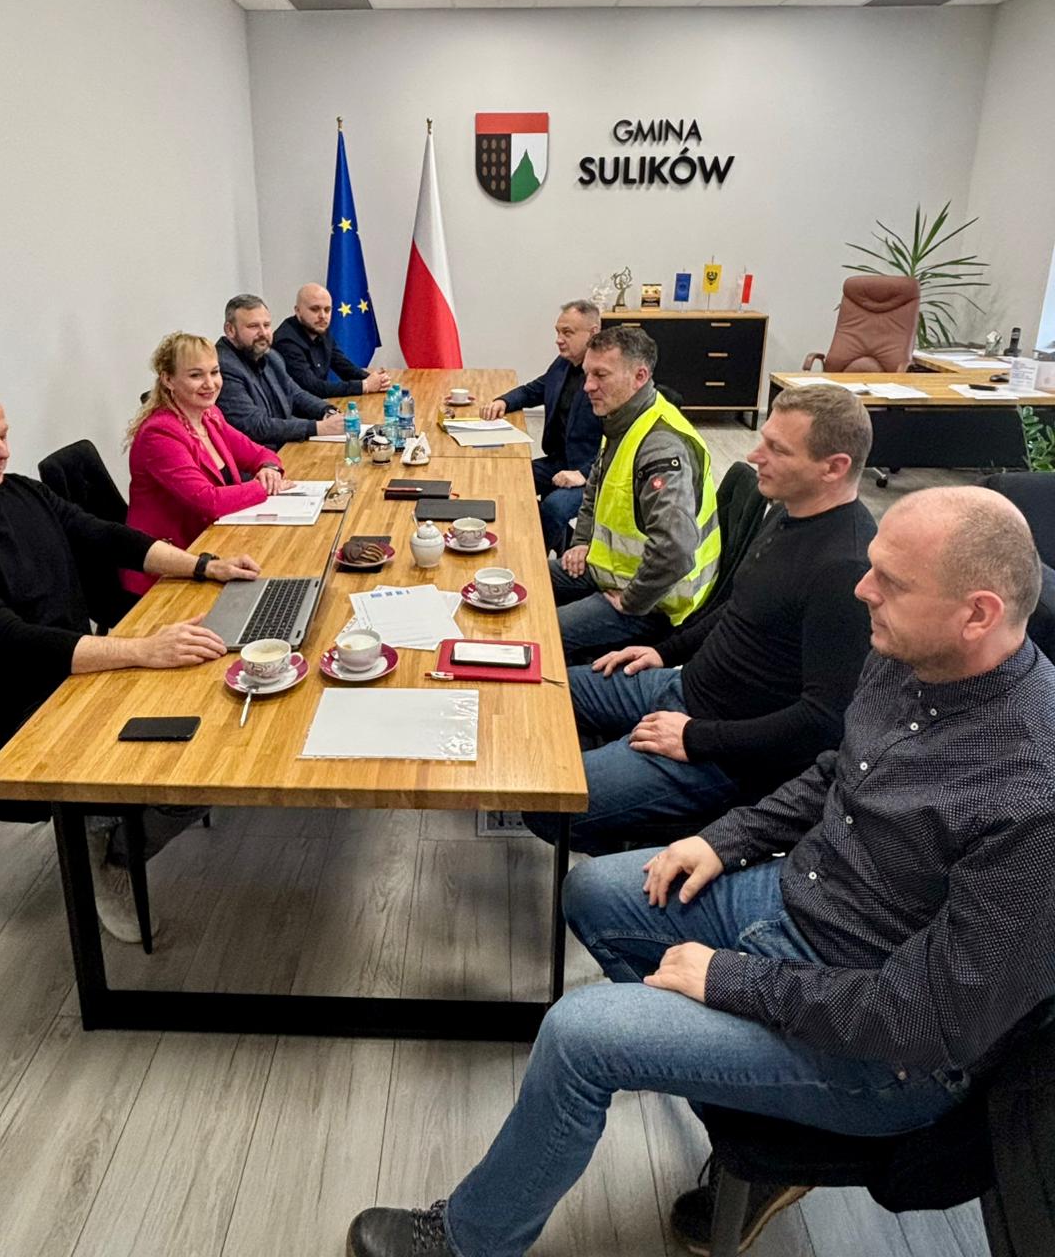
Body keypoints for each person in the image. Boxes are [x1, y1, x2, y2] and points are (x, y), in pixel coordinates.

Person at [348, 487, 1055, 1257]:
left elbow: (930, 1019)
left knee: (581, 1036)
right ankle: (739, 1098)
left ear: (978, 614)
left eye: (891, 580)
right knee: (595, 891)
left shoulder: (1033, 792)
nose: (862, 589)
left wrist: (732, 982)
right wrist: (725, 840)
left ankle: (465, 1243)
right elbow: (837, 771)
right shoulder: (914, 654)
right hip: (806, 902)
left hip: (885, 1052)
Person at [0, 381, 262, 943]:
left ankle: (104, 830)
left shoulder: (19, 492)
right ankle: (109, 850)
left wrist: (205, 566)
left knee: (227, 722)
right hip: (11, 729)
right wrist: (142, 650)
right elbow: (10, 641)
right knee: (200, 761)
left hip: (77, 681)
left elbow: (104, 534)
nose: (2, 451)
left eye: (4, 435)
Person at [527, 384, 875, 854]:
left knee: (546, 800)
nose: (754, 455)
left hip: (723, 751)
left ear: (833, 468)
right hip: (686, 686)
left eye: (777, 449)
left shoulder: (845, 569)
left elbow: (821, 723)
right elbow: (740, 607)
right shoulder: (791, 511)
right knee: (544, 691)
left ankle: (654, 857)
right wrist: (662, 652)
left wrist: (695, 738)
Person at [550, 326, 719, 662]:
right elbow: (595, 488)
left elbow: (675, 550)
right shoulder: (622, 417)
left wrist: (632, 601)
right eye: (587, 374)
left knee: (541, 629)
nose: (587, 386)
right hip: (610, 570)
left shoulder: (660, 446)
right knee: (525, 581)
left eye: (601, 375)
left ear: (639, 376)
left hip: (654, 601)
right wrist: (581, 541)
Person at [123, 331, 286, 595]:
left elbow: (259, 453)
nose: (210, 384)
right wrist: (263, 487)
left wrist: (270, 468)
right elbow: (209, 501)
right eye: (196, 375)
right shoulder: (160, 434)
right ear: (168, 380)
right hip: (170, 571)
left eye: (215, 372)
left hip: (212, 545)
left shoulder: (209, 416)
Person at [481, 300, 604, 553]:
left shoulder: (606, 378)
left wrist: (585, 473)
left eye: (567, 333)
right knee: (508, 481)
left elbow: (621, 441)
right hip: (558, 461)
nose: (559, 340)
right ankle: (560, 541)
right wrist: (504, 401)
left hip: (594, 472)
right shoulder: (563, 364)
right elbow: (534, 390)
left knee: (554, 508)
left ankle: (536, 560)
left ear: (593, 333)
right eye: (558, 332)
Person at [215, 293, 343, 450]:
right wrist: (317, 428)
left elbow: (295, 393)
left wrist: (327, 411)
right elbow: (254, 426)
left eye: (267, 325)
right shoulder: (222, 366)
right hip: (256, 458)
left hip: (284, 446)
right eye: (253, 326)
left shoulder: (270, 356)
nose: (263, 333)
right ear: (230, 330)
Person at [273, 283, 390, 400]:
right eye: (315, 309)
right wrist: (364, 386)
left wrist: (376, 380)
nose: (322, 316)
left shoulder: (320, 329)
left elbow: (344, 367)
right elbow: (312, 388)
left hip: (318, 404)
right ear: (298, 311)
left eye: (327, 310)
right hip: (296, 408)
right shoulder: (286, 342)